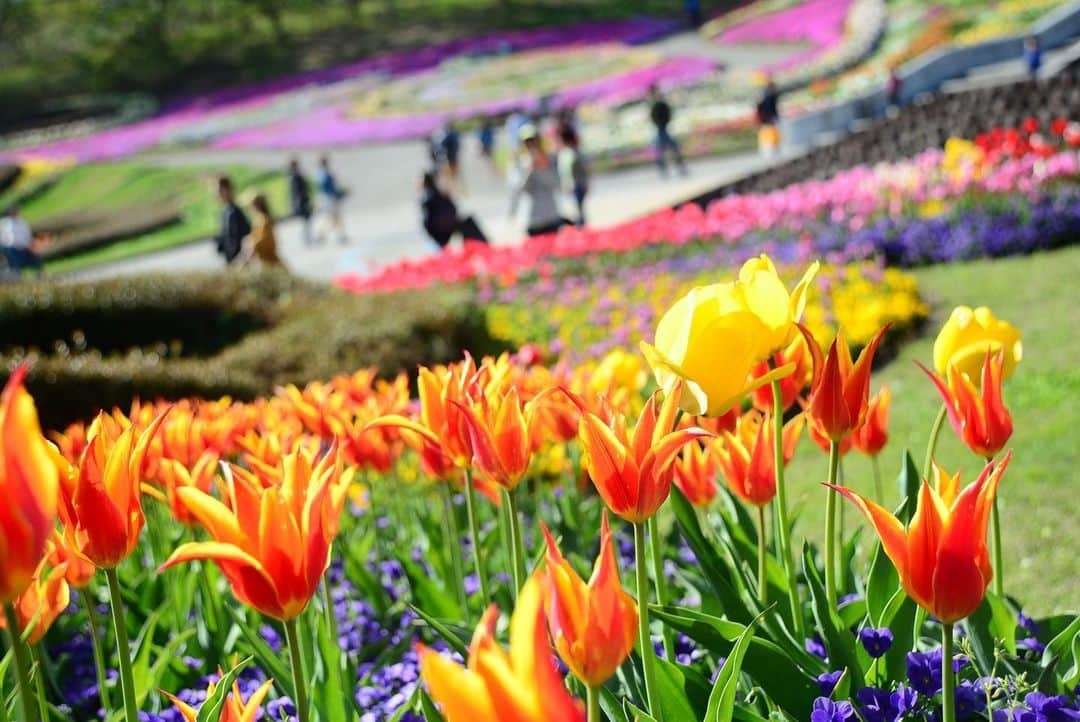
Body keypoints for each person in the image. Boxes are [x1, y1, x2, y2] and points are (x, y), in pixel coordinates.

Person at [511, 127, 569, 237]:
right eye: (527, 142)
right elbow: (520, 190)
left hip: (551, 216)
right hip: (532, 219)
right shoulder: (519, 163)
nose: (532, 145)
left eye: (534, 141)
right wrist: (530, 169)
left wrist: (542, 168)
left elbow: (557, 185)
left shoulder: (550, 159)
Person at [420, 171, 488, 249]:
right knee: (468, 223)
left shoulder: (430, 198)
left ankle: (479, 246)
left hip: (441, 231)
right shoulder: (437, 196)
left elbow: (426, 222)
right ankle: (482, 245)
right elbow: (454, 209)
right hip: (444, 231)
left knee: (467, 222)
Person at [238, 194, 285, 269]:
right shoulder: (258, 220)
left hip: (269, 259)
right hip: (263, 259)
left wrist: (252, 245)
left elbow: (264, 240)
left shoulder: (265, 220)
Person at [648, 85, 687, 177]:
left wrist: (663, 122)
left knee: (668, 149)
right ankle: (667, 169)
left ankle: (675, 168)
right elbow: (654, 117)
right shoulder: (654, 104)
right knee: (665, 150)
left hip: (664, 129)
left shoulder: (660, 103)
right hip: (660, 130)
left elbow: (667, 114)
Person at [557, 125, 589, 227]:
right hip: (573, 186)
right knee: (575, 212)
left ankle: (580, 230)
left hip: (576, 186)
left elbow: (580, 170)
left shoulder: (571, 153)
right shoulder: (566, 152)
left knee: (577, 212)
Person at [214, 176, 251, 265]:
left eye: (219, 190)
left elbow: (244, 238)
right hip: (232, 260)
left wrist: (238, 260)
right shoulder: (224, 211)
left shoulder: (235, 212)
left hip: (239, 262)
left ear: (228, 190)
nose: (216, 193)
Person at [0, 206, 43, 275]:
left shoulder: (22, 222)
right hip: (11, 249)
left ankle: (40, 275)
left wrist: (30, 245)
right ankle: (17, 277)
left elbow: (27, 235)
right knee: (15, 263)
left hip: (25, 248)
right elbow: (8, 240)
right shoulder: (5, 224)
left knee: (35, 260)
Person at [316, 155, 347, 244]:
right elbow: (330, 188)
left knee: (333, 218)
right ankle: (323, 235)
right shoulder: (325, 174)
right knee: (333, 217)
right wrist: (339, 194)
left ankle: (338, 235)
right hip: (329, 199)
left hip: (325, 199)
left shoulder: (320, 174)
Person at [287, 158, 313, 245]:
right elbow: (298, 192)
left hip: (301, 201)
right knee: (306, 221)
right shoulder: (295, 176)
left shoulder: (293, 176)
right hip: (302, 202)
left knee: (306, 221)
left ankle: (307, 238)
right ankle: (306, 239)